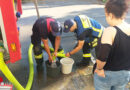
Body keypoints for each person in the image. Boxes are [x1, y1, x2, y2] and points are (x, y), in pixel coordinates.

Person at [94, 0, 130, 90]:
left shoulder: (110, 31)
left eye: (106, 15)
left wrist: (99, 69)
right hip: (125, 74)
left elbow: (102, 57)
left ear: (110, 15)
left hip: (107, 74)